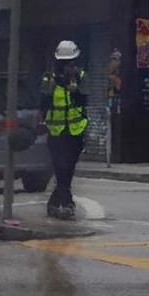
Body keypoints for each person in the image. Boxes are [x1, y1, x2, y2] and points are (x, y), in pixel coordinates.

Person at [39, 39, 88, 220]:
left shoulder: (82, 76)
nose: (68, 66)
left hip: (75, 131)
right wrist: (50, 90)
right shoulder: (48, 78)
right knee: (60, 167)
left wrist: (75, 89)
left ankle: (55, 201)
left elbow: (85, 100)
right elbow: (43, 103)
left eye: (72, 62)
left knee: (68, 169)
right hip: (56, 131)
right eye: (64, 63)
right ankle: (67, 202)